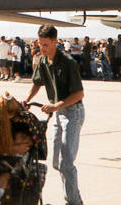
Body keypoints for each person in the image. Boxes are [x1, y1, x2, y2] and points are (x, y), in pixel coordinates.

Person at [24, 24, 85, 205]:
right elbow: (37, 82)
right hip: (58, 114)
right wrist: (27, 100)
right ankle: (73, 199)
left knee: (67, 163)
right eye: (40, 44)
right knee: (57, 163)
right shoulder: (43, 61)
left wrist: (56, 106)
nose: (42, 48)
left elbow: (79, 94)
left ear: (55, 42)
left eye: (46, 45)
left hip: (73, 113)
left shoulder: (68, 63)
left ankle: (74, 202)